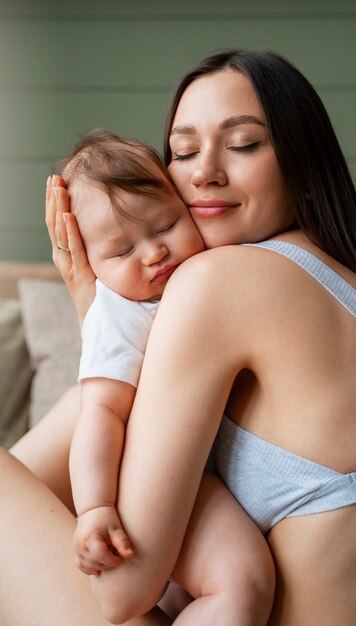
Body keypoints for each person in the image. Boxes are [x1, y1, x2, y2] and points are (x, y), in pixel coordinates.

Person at [1, 49, 356, 626]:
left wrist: (93, 308)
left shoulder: (220, 282)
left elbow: (121, 595)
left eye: (243, 144)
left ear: (303, 161)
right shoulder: (349, 285)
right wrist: (104, 320)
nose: (204, 173)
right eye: (184, 150)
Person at [55, 127, 274, 624]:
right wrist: (94, 508)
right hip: (163, 479)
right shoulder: (119, 316)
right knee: (241, 582)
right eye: (121, 250)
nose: (153, 253)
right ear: (88, 264)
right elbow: (100, 414)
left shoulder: (217, 272)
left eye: (164, 225)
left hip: (204, 469)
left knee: (184, 600)